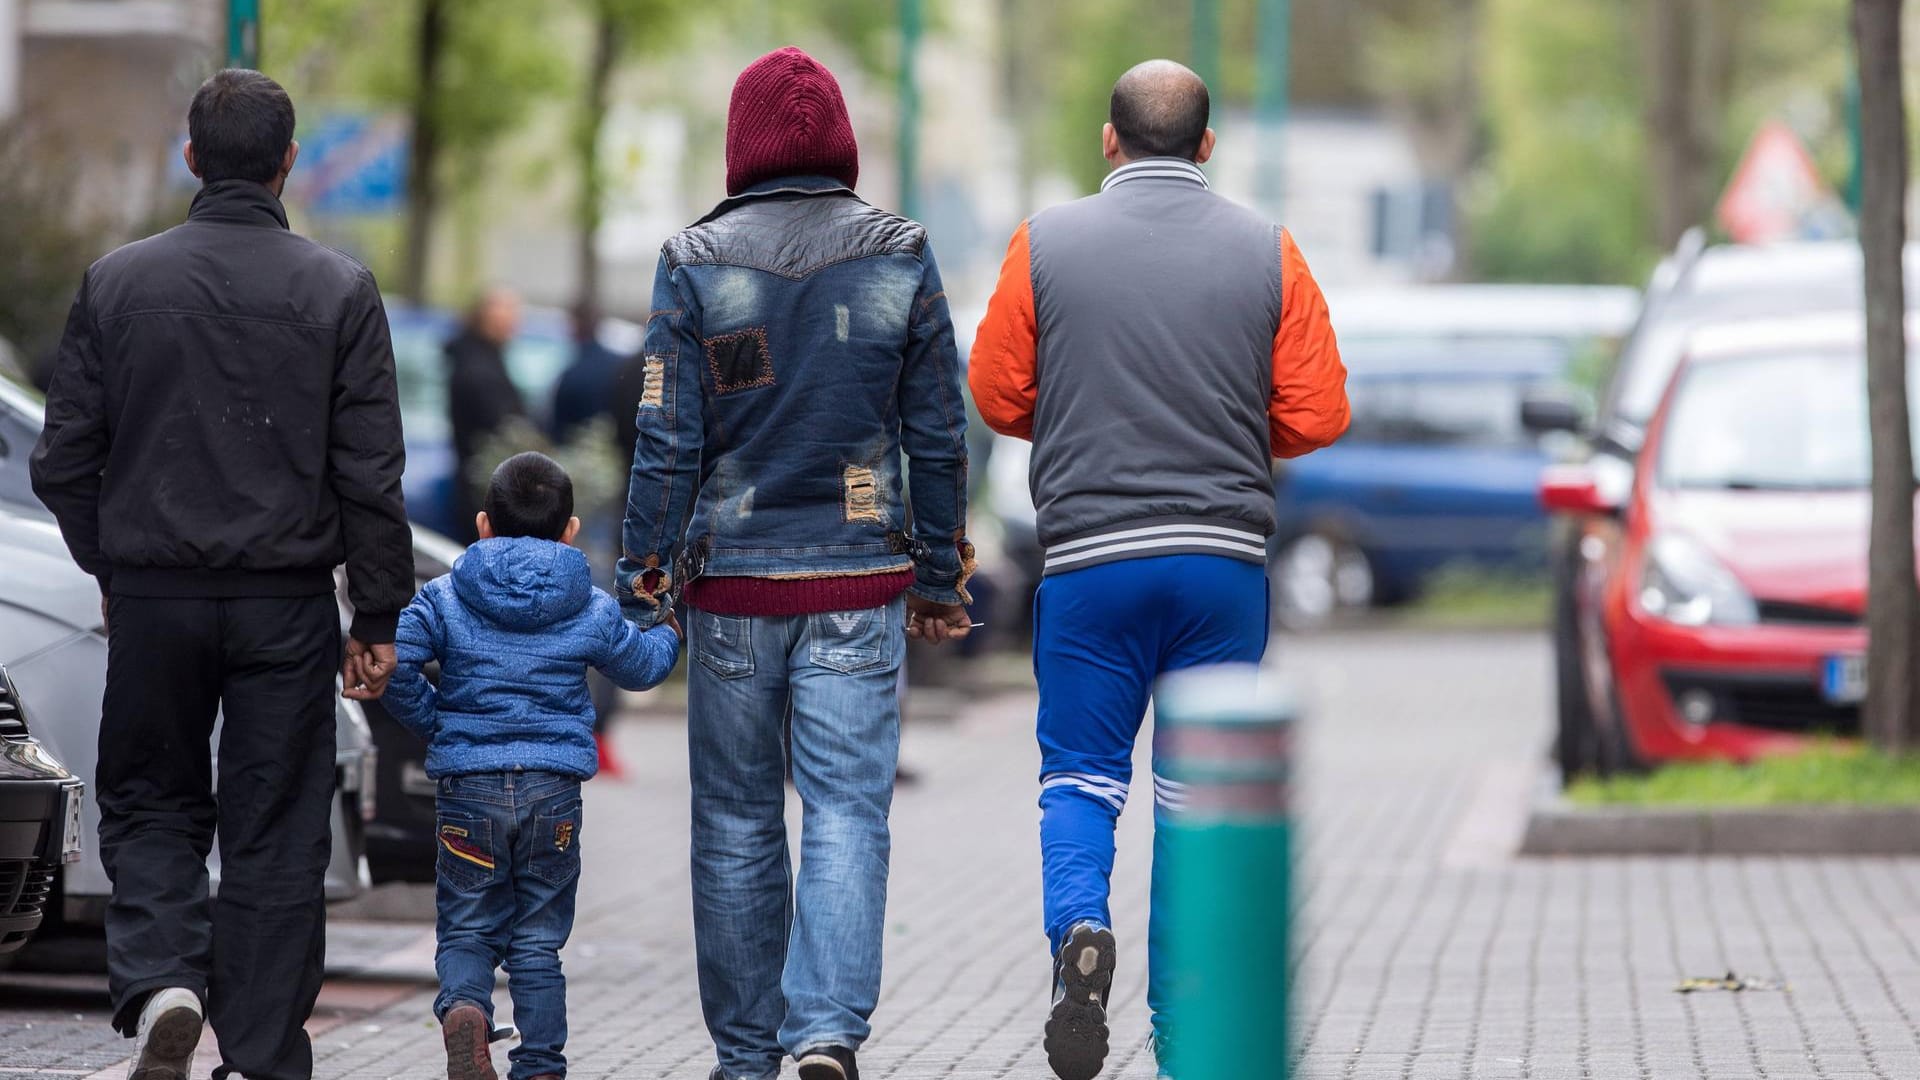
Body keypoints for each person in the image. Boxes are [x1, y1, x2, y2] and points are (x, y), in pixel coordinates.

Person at [969, 59, 1350, 1080]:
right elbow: (1319, 412)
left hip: (1091, 564)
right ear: (1208, 147)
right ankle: (1185, 1037)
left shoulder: (1044, 243)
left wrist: (1087, 415)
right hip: (1223, 567)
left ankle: (1078, 934)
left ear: (1109, 140)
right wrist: (1227, 424)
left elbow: (998, 396)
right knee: (1200, 798)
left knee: (1081, 782)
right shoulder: (1269, 251)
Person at [30, 69, 414, 1080]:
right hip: (285, 605)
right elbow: (370, 473)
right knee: (277, 822)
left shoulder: (117, 282)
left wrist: (113, 560)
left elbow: (63, 459)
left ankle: (163, 978)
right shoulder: (339, 290)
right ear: (289, 163)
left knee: (152, 800)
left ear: (191, 158)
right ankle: (262, 1046)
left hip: (155, 596)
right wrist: (376, 611)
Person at [616, 46, 973, 1080]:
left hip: (730, 588)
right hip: (861, 585)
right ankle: (824, 1033)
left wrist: (646, 586)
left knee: (734, 820)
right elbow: (938, 434)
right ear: (843, 146)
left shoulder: (692, 258)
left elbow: (666, 436)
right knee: (848, 813)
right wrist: (941, 582)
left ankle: (745, 1054)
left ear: (742, 147)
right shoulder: (901, 251)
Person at [383, 451, 681, 1080]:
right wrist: (669, 625)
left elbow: (395, 664)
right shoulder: (591, 605)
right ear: (570, 530)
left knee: (467, 926)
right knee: (538, 941)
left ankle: (465, 1007)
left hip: (470, 787)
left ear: (484, 523)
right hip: (553, 794)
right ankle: (541, 1064)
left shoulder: (444, 595)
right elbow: (644, 667)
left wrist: (436, 722)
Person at [447, 287, 527, 543]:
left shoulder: (479, 359)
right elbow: (504, 427)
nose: (516, 322)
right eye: (510, 314)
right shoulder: (480, 370)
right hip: (484, 487)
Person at [549, 304, 621, 444]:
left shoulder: (571, 376)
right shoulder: (618, 365)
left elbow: (557, 433)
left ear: (573, 325)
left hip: (581, 454)